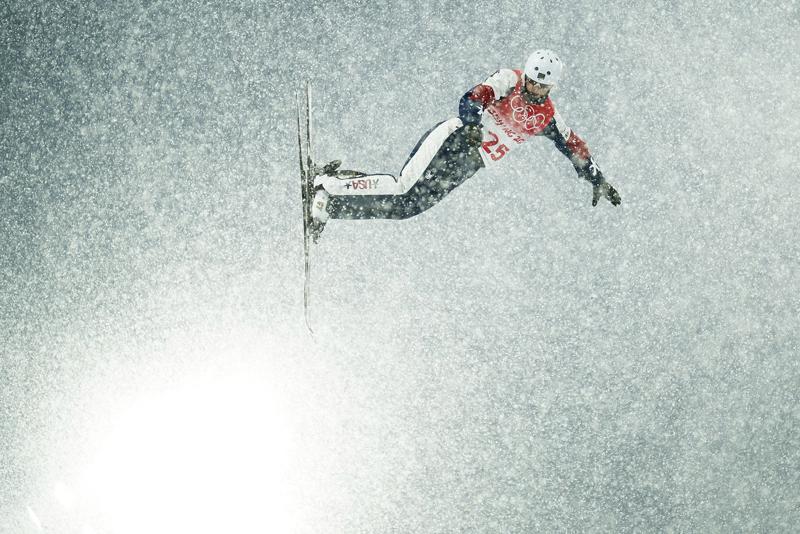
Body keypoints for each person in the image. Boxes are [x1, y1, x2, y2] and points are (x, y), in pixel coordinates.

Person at [309, 49, 621, 241]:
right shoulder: (509, 80)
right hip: (455, 139)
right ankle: (326, 183)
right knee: (403, 185)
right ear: (525, 75)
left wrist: (597, 177)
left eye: (542, 84)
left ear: (552, 86)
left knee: (408, 208)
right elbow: (474, 97)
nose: (534, 88)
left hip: (470, 164)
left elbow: (573, 146)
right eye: (532, 80)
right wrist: (472, 124)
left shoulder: (547, 117)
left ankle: (329, 207)